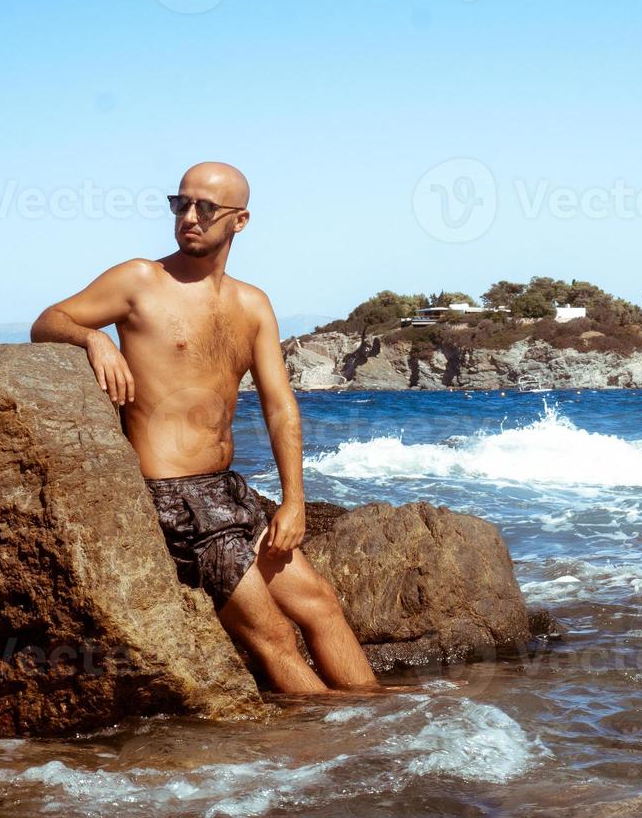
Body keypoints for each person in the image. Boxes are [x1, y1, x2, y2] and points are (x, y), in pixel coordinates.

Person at [30, 162, 381, 696]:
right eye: (180, 204)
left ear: (239, 221)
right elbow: (49, 320)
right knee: (273, 635)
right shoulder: (140, 280)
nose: (188, 217)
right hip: (172, 499)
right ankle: (329, 745)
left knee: (321, 605)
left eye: (205, 208)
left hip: (229, 492)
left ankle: (384, 722)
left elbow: (280, 405)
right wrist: (94, 340)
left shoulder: (252, 304)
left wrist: (294, 500)